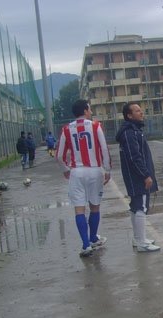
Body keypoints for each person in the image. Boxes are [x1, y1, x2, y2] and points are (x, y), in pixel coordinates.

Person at [55, 99, 112, 257]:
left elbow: (59, 155)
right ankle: (93, 238)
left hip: (77, 172)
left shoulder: (66, 129)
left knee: (79, 209)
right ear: (86, 110)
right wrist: (107, 170)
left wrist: (65, 169)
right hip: (94, 170)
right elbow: (104, 149)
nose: (91, 111)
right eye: (90, 109)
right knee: (95, 206)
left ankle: (86, 245)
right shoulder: (95, 126)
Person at [115, 102, 160, 252]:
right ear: (129, 115)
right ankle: (141, 243)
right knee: (140, 207)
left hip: (136, 175)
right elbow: (135, 157)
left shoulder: (134, 131)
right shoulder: (129, 133)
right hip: (136, 177)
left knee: (136, 207)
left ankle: (138, 238)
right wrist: (145, 175)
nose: (141, 113)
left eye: (141, 110)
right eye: (137, 111)